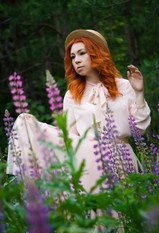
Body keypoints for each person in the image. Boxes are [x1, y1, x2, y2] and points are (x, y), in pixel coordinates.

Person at [6, 29, 151, 192]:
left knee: (126, 211)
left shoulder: (124, 86)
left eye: (82, 53)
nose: (76, 60)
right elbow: (70, 139)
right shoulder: (72, 95)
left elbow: (138, 128)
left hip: (123, 159)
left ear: (96, 53)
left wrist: (138, 92)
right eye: (73, 57)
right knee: (98, 213)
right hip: (91, 163)